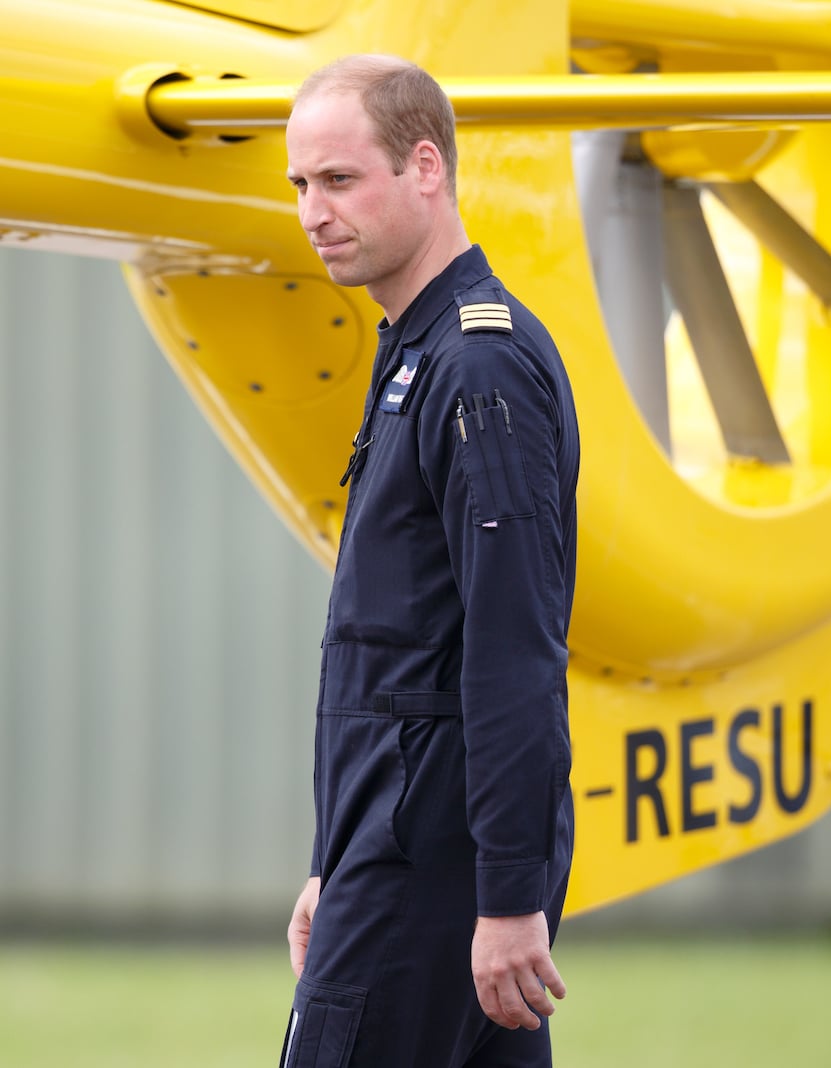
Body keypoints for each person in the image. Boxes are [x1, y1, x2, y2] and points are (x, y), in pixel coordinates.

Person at [281, 54, 579, 1068]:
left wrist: (507, 899)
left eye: (339, 179)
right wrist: (335, 860)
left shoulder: (477, 364)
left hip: (435, 866)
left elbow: (510, 654)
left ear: (425, 168)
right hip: (398, 849)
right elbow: (394, 654)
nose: (313, 212)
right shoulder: (414, 350)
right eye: (300, 186)